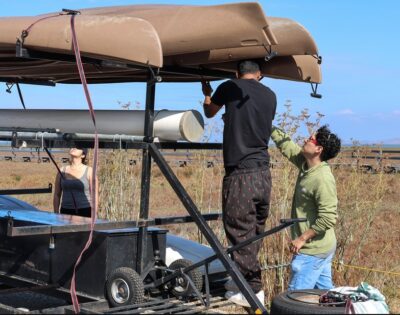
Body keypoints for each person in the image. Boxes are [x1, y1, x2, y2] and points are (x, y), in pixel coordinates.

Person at [201, 60, 277, 307]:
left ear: (237, 73)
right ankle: (240, 283)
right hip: (263, 173)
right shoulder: (271, 95)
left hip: (240, 173)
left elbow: (210, 112)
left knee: (239, 230)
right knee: (254, 232)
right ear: (260, 75)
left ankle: (252, 292)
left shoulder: (229, 87)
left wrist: (207, 95)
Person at [270, 125, 341, 290]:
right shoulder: (306, 164)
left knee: (295, 300)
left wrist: (302, 239)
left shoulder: (322, 179)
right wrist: (268, 125)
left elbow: (328, 218)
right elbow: (287, 147)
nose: (304, 140)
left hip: (312, 251)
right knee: (324, 299)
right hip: (322, 248)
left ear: (318, 149)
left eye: (310, 139)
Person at [53, 147, 98, 218]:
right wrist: (56, 213)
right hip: (65, 211)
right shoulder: (62, 170)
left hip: (85, 211)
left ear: (83, 155)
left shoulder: (89, 171)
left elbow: (94, 194)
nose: (73, 148)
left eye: (77, 147)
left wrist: (94, 214)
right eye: (72, 146)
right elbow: (57, 194)